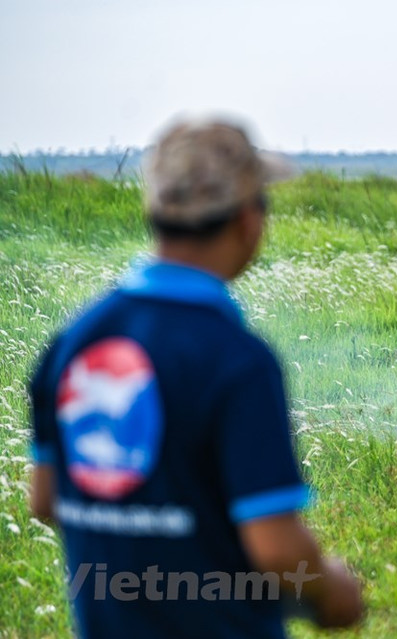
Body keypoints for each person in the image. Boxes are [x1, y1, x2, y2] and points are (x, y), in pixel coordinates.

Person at [29, 118, 363, 638]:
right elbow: (277, 551)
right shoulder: (237, 360)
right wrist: (331, 591)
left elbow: (44, 500)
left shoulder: (73, 341)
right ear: (249, 220)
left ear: (157, 213)